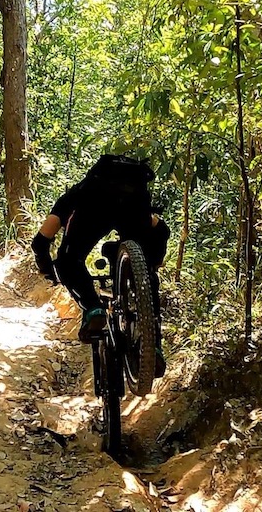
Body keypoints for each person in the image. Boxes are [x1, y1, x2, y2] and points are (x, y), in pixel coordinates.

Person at [30, 154, 170, 373]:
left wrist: (48, 269)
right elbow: (161, 228)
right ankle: (153, 346)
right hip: (135, 208)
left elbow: (40, 241)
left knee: (68, 259)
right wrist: (151, 263)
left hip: (90, 209)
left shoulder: (78, 193)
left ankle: (93, 309)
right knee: (147, 273)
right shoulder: (135, 191)